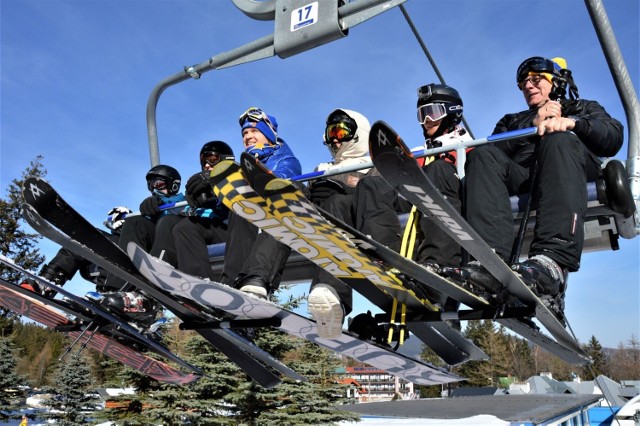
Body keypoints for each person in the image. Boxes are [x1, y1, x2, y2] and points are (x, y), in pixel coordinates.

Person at [449, 56, 623, 317]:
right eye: (523, 83)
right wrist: (532, 123)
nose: (528, 86)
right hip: (525, 177)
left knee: (558, 141)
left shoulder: (583, 107)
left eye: (536, 79)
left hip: (568, 167)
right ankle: (491, 263)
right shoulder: (513, 120)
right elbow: (495, 148)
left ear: (555, 80)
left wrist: (573, 123)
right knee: (481, 156)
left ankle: (553, 262)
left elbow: (612, 137)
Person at [221, 107, 302, 299]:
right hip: (250, 216)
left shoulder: (286, 159)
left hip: (275, 213)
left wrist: (257, 182)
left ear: (268, 133)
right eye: (245, 133)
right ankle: (229, 284)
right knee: (239, 208)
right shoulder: (245, 163)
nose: (248, 136)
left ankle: (255, 279)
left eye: (254, 131)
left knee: (248, 203)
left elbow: (282, 182)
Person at [307, 108, 371, 338]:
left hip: (354, 220)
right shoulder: (321, 169)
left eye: (341, 132)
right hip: (319, 219)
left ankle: (335, 294)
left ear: (357, 134)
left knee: (334, 203)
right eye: (331, 132)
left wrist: (351, 182)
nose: (335, 139)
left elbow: (385, 199)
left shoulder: (372, 164)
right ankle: (255, 282)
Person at [168, 141, 234, 280]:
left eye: (213, 159)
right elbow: (181, 208)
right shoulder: (203, 185)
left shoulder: (237, 178)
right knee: (184, 227)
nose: (207, 165)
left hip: (237, 231)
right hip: (214, 229)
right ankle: (197, 281)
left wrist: (219, 196)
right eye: (204, 161)